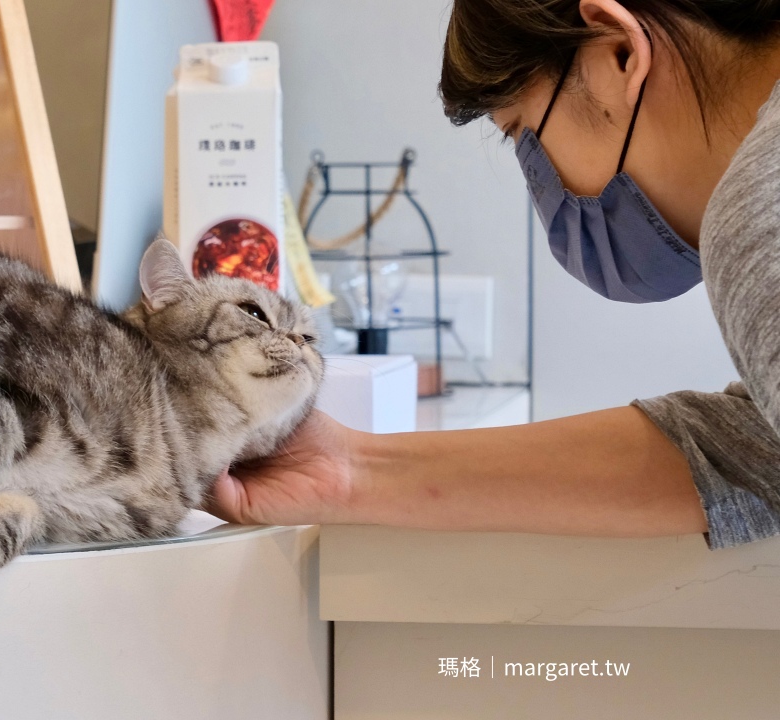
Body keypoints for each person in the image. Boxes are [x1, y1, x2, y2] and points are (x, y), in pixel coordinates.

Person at [203, 0, 780, 550]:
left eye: (522, 135)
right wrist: (352, 468)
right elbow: (756, 453)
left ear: (618, 54)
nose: (545, 192)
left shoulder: (759, 208)